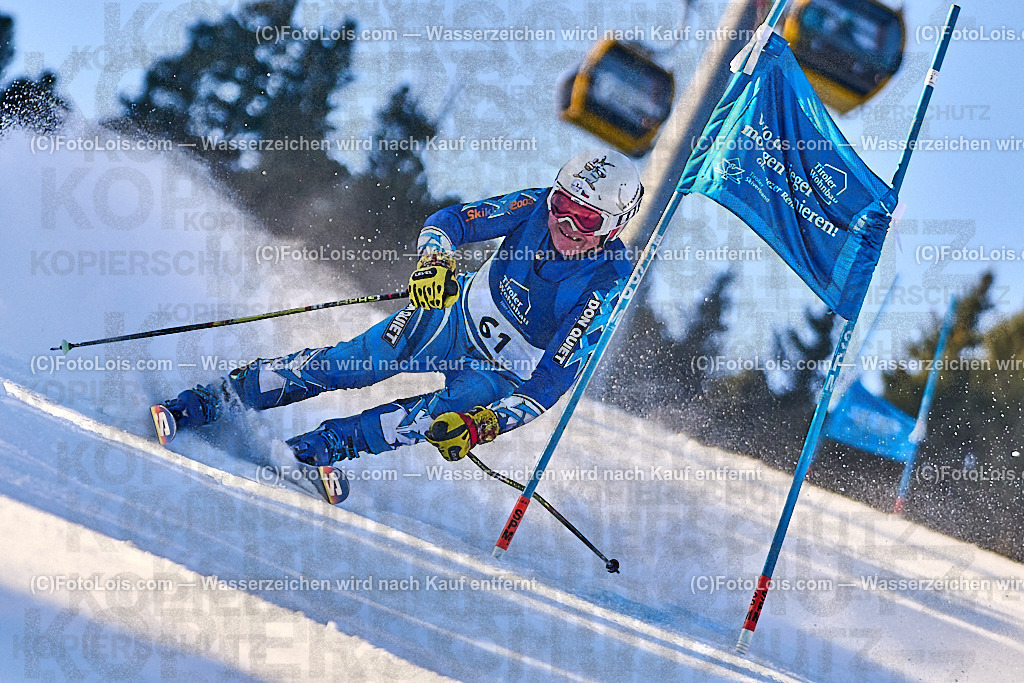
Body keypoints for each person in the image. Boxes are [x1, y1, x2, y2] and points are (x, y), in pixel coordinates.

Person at [163, 149, 642, 465]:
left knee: (438, 418)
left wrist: (486, 425)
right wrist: (436, 261)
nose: (564, 224)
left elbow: (552, 380)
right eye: (561, 204)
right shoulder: (534, 207)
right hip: (454, 317)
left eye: (585, 219)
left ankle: (322, 448)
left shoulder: (608, 281)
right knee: (357, 362)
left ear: (614, 226)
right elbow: (452, 221)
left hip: (501, 372)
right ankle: (218, 397)